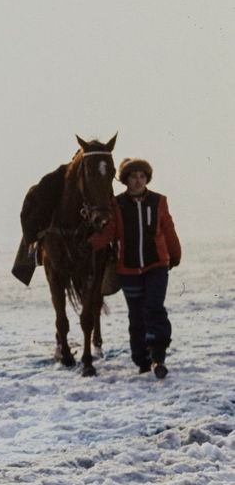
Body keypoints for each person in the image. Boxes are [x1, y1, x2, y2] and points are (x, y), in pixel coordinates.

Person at [90, 157, 181, 378]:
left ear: (147, 178)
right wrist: (89, 244)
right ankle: (142, 360)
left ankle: (158, 356)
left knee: (154, 308)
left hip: (156, 265)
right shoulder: (117, 204)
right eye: (133, 176)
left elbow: (168, 228)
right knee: (136, 315)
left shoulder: (159, 201)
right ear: (125, 180)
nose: (138, 181)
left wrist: (175, 253)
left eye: (142, 176)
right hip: (128, 269)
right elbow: (108, 232)